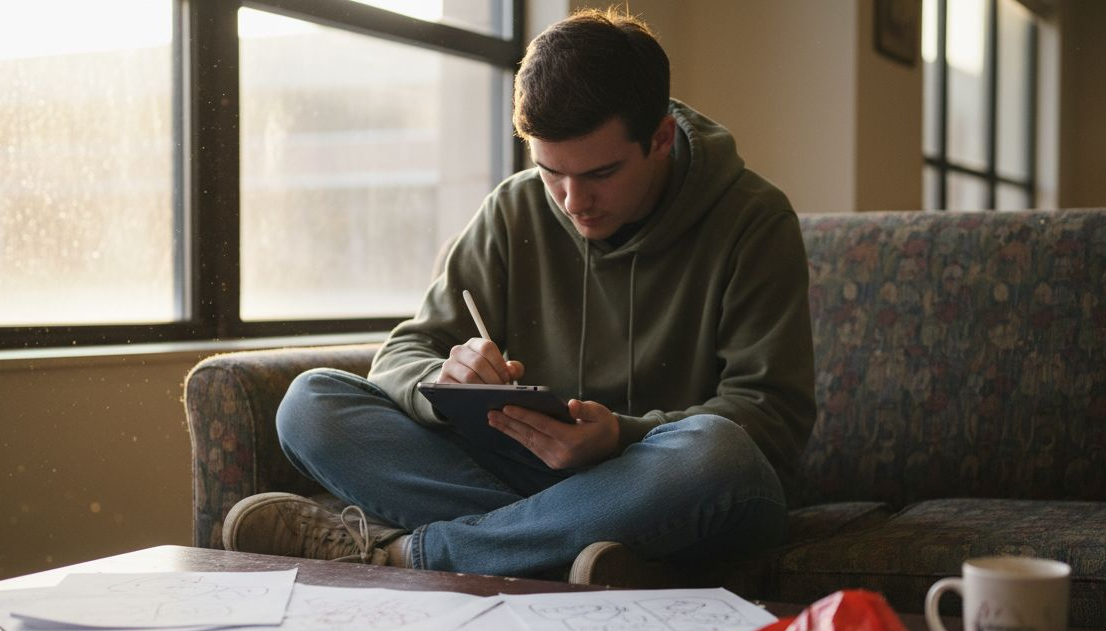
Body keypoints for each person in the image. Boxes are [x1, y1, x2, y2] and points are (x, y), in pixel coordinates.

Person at [223, 8, 816, 584]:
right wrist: (444, 380)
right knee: (310, 403)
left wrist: (621, 434)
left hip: (672, 482)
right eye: (550, 171)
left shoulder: (753, 220)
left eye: (600, 173)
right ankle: (591, 552)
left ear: (660, 138)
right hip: (537, 477)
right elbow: (402, 354)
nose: (572, 201)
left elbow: (772, 419)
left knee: (716, 453)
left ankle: (415, 555)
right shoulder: (513, 208)